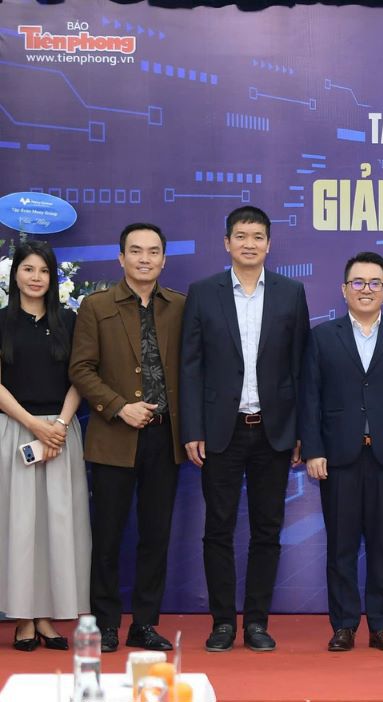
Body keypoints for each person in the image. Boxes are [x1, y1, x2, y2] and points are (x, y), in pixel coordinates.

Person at [180, 206, 310, 652]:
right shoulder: (203, 293)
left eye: (257, 237)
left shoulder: (291, 293)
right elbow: (190, 367)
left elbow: (300, 368)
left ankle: (256, 622)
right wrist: (193, 428)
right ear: (227, 243)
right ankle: (222, 623)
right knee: (217, 529)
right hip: (221, 430)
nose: (249, 244)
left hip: (273, 431)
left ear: (269, 244)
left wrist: (300, 431)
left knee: (266, 530)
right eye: (241, 236)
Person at [299, 251, 383, 652]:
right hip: (338, 458)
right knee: (340, 546)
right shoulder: (322, 336)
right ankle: (343, 625)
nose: (366, 289)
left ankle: (382, 626)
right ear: (344, 289)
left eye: (374, 283)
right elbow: (310, 398)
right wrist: (313, 450)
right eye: (358, 282)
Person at [70, 224, 186, 653]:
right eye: (135, 251)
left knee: (156, 536)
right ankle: (105, 623)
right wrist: (120, 406)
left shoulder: (180, 306)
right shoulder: (96, 305)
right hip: (113, 436)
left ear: (163, 260)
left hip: (165, 438)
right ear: (121, 258)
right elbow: (81, 369)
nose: (144, 259)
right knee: (107, 536)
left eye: (153, 252)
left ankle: (145, 624)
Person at [0, 241, 87, 651]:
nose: (36, 278)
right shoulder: (2, 322)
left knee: (58, 527)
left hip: (61, 434)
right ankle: (22, 617)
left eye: (44, 271)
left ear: (53, 277)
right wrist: (34, 424)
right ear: (15, 273)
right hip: (15, 430)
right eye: (28, 269)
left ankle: (48, 617)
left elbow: (81, 377)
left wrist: (60, 426)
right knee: (20, 527)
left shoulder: (69, 321)